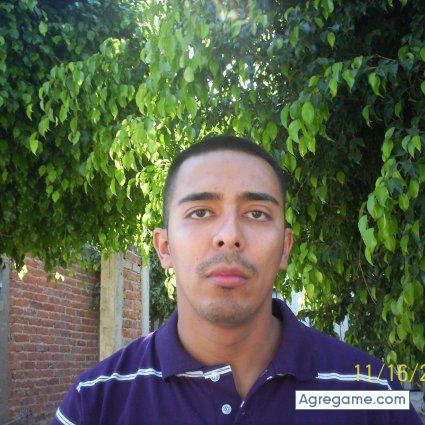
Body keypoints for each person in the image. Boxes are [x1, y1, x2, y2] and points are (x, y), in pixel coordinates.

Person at [52, 135, 422, 425]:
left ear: (284, 248)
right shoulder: (95, 403)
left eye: (257, 214)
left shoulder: (369, 392)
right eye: (200, 212)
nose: (229, 235)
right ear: (164, 248)